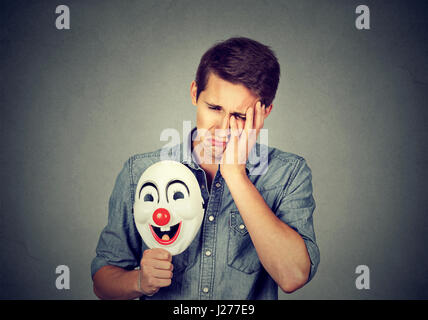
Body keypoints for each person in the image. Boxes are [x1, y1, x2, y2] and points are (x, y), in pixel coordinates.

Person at [91, 37, 320, 300]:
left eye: (240, 116)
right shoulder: (140, 171)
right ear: (194, 93)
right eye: (214, 108)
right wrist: (139, 281)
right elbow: (102, 282)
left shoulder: (289, 174)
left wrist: (235, 174)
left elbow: (292, 277)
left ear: (265, 111)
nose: (223, 128)